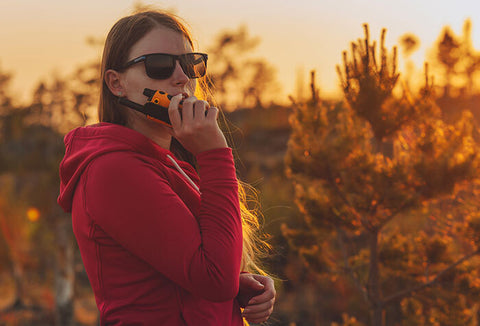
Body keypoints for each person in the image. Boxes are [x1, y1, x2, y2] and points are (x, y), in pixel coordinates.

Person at [57, 9, 275, 326]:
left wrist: (238, 284)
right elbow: (214, 279)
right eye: (159, 65)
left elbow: (196, 270)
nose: (182, 78)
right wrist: (215, 154)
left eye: (190, 64)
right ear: (116, 83)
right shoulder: (113, 170)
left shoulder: (171, 163)